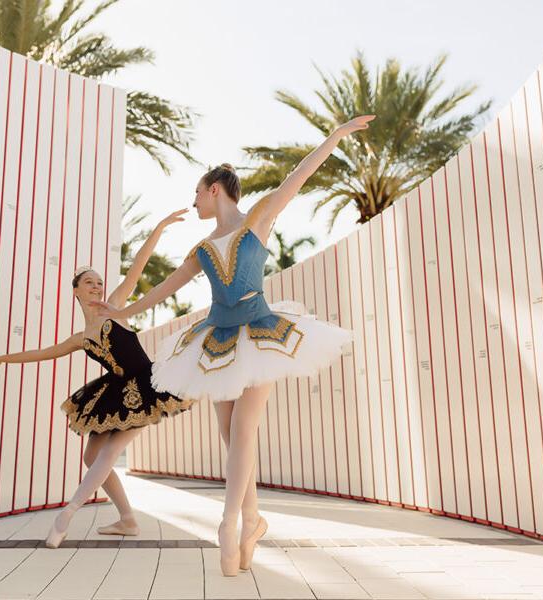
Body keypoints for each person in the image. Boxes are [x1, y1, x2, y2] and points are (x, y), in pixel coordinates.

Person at [95, 115, 375, 575]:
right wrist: (121, 313)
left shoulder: (259, 217)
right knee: (232, 437)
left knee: (242, 431)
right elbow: (164, 288)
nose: (194, 202)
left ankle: (227, 524)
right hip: (219, 340)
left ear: (214, 190)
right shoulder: (201, 249)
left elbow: (298, 176)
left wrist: (337, 136)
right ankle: (251, 520)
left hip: (260, 331)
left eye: (197, 193)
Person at [0, 208, 194, 548]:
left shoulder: (116, 306)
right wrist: (2, 359)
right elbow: (42, 353)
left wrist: (160, 227)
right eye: (89, 282)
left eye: (99, 281)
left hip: (146, 385)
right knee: (91, 457)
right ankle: (128, 519)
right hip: (117, 390)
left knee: (107, 454)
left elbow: (137, 265)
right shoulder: (81, 337)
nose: (96, 286)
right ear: (76, 291)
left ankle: (69, 512)